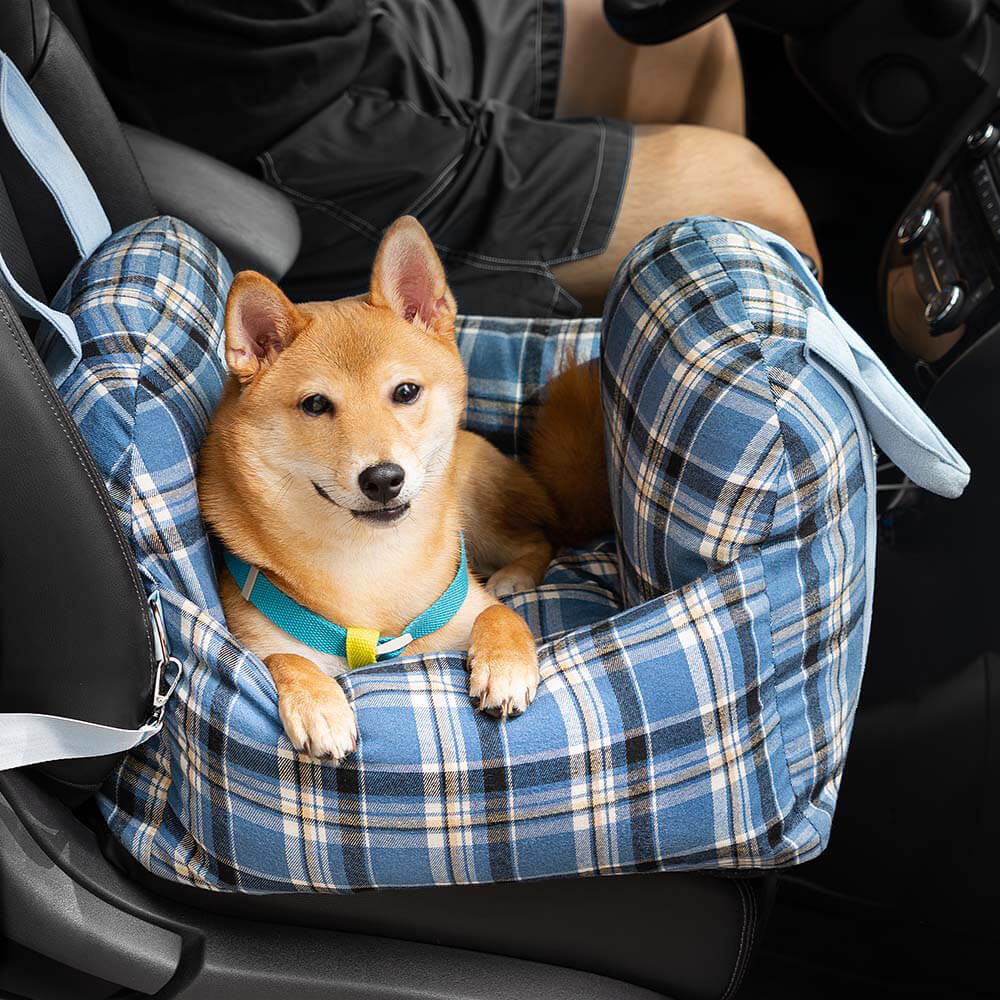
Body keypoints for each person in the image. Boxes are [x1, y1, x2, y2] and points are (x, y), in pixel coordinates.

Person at [79, 0, 820, 316]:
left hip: (342, 32)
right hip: (269, 118)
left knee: (687, 50)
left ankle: (637, 385)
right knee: (755, 211)